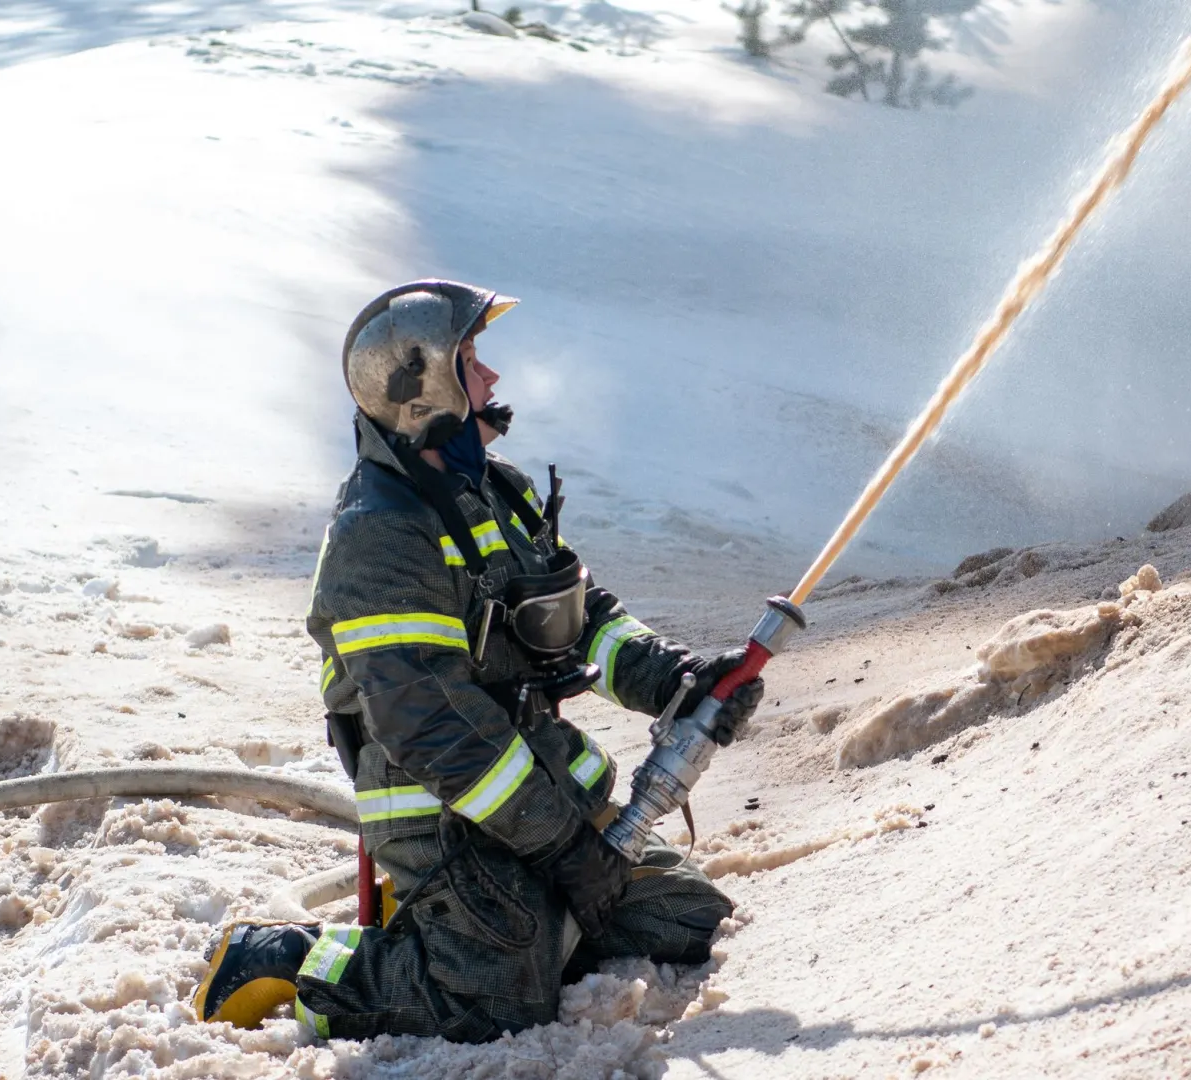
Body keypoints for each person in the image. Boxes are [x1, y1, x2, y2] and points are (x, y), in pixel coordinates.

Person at [192, 280, 764, 1041]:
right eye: (471, 360)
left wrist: (675, 680)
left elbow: (579, 616)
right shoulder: (381, 536)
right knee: (498, 1001)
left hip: (537, 786)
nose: (492, 379)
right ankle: (291, 961)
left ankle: (483, 926)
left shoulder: (500, 493)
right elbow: (434, 728)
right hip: (442, 804)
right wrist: (565, 849)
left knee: (686, 919)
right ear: (424, 393)